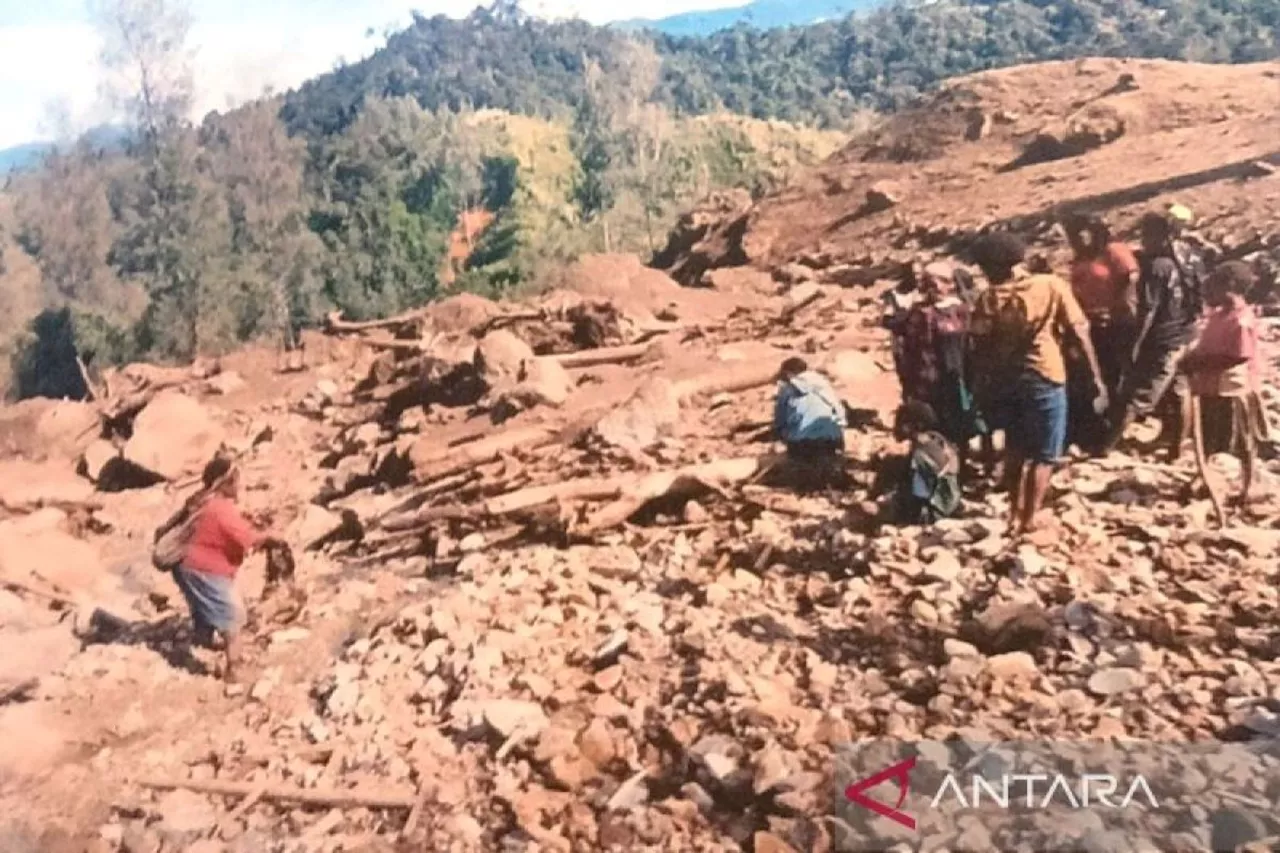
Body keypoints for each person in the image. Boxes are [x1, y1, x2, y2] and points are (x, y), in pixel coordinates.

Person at [968, 233, 1107, 536]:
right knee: (1044, 454)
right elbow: (1079, 332)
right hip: (1045, 375)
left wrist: (980, 388)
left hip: (1007, 380)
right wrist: (1095, 377)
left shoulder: (989, 297)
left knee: (1016, 449)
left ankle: (1012, 517)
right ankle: (1029, 519)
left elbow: (978, 347)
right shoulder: (1050, 286)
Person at [1105, 209, 1205, 455]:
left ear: (1160, 235)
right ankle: (1177, 445)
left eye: (1146, 234)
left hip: (1163, 338)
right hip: (1187, 332)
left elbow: (1148, 309)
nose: (1143, 239)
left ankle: (1105, 445)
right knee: (1178, 389)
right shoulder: (1190, 256)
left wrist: (1135, 344)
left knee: (1139, 393)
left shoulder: (1158, 267)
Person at [174, 456, 281, 683]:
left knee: (202, 605)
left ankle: (203, 638)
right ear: (226, 484)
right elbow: (247, 539)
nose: (239, 485)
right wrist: (269, 536)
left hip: (187, 566)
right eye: (236, 481)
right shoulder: (221, 510)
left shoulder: (206, 503)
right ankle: (234, 670)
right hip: (205, 569)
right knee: (233, 616)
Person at [1180, 261, 1266, 500]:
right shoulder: (1219, 316)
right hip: (1210, 386)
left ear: (1229, 286)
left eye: (1215, 287)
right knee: (1207, 435)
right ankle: (1202, 476)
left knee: (1240, 440)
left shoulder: (1241, 320)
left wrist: (1201, 364)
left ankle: (1248, 484)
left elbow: (1238, 356)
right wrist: (1192, 359)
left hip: (1233, 389)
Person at [897, 261, 987, 470]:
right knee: (930, 429)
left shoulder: (962, 311)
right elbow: (908, 351)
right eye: (930, 281)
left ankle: (958, 471)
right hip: (927, 383)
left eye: (942, 281)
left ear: (951, 284)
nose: (935, 286)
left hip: (958, 379)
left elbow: (972, 345)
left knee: (960, 426)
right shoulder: (918, 314)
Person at [872, 400, 962, 524]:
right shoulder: (938, 441)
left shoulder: (921, 455)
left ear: (916, 426)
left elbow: (920, 495)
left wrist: (889, 501)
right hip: (950, 502)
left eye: (902, 422)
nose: (896, 427)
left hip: (931, 511)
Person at [773, 357, 847, 487]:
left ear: (789, 373)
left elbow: (780, 418)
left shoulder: (787, 389)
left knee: (801, 467)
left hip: (803, 440)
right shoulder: (823, 384)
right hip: (831, 436)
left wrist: (781, 434)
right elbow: (839, 410)